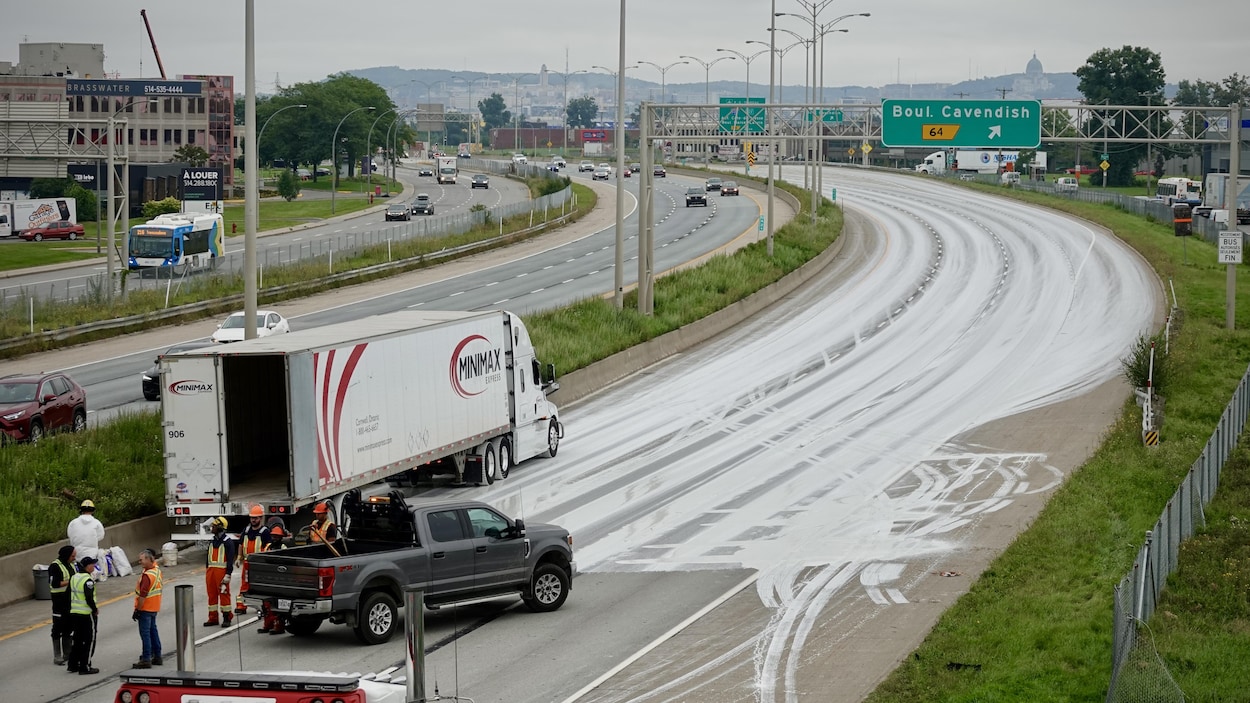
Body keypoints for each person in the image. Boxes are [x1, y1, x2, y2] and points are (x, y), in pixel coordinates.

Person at [66, 556, 100, 675]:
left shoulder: (74, 577)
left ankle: (72, 664)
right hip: (86, 613)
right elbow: (89, 597)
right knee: (89, 640)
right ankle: (85, 666)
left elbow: (68, 593)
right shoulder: (88, 580)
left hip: (75, 613)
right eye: (93, 564)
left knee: (77, 639)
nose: (94, 566)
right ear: (88, 566)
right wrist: (94, 609)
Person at [131, 548, 163, 668]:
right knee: (153, 631)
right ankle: (157, 655)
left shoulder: (147, 576)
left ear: (149, 559)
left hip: (146, 608)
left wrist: (137, 610)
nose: (140, 563)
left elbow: (142, 595)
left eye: (142, 560)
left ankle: (146, 659)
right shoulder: (156, 570)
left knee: (145, 634)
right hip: (154, 606)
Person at [234, 505, 270, 615]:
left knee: (259, 585)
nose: (253, 520)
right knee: (244, 584)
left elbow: (268, 547)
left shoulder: (265, 532)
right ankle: (241, 606)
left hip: (258, 563)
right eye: (252, 518)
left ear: (261, 518)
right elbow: (241, 544)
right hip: (247, 562)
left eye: (256, 518)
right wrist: (239, 557)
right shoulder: (246, 530)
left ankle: (262, 606)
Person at [203, 516, 237, 628]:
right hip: (211, 573)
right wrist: (208, 570)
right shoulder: (213, 541)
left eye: (214, 526)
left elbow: (230, 559)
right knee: (211, 595)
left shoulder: (228, 542)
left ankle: (227, 617)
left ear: (221, 528)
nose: (212, 528)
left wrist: (228, 574)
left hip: (222, 573)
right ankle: (212, 618)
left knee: (224, 595)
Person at [256, 525, 287, 635]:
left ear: (281, 537)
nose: (274, 538)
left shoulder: (283, 547)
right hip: (268, 577)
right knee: (266, 604)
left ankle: (279, 626)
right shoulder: (268, 546)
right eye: (273, 536)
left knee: (277, 604)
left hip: (279, 578)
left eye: (277, 536)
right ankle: (267, 625)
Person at [49, 545, 77, 665]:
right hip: (59, 601)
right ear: (66, 555)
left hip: (70, 600)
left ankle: (67, 653)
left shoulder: (71, 564)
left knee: (69, 626)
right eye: (72, 556)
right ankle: (57, 655)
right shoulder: (55, 566)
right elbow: (54, 583)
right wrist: (71, 580)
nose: (74, 558)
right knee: (58, 627)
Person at [67, 500, 106, 581]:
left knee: (79, 570)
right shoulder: (96, 523)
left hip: (77, 552)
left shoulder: (73, 522)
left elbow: (70, 535)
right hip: (92, 552)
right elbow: (101, 536)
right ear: (93, 510)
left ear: (81, 510)